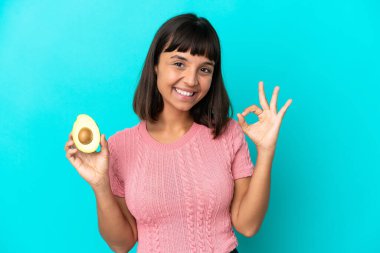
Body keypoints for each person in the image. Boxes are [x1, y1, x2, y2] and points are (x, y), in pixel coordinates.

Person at [64, 13, 292, 253]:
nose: (192, 80)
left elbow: (247, 225)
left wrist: (266, 151)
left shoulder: (228, 133)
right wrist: (100, 186)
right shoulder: (120, 146)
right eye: (179, 63)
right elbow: (121, 244)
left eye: (204, 69)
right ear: (155, 64)